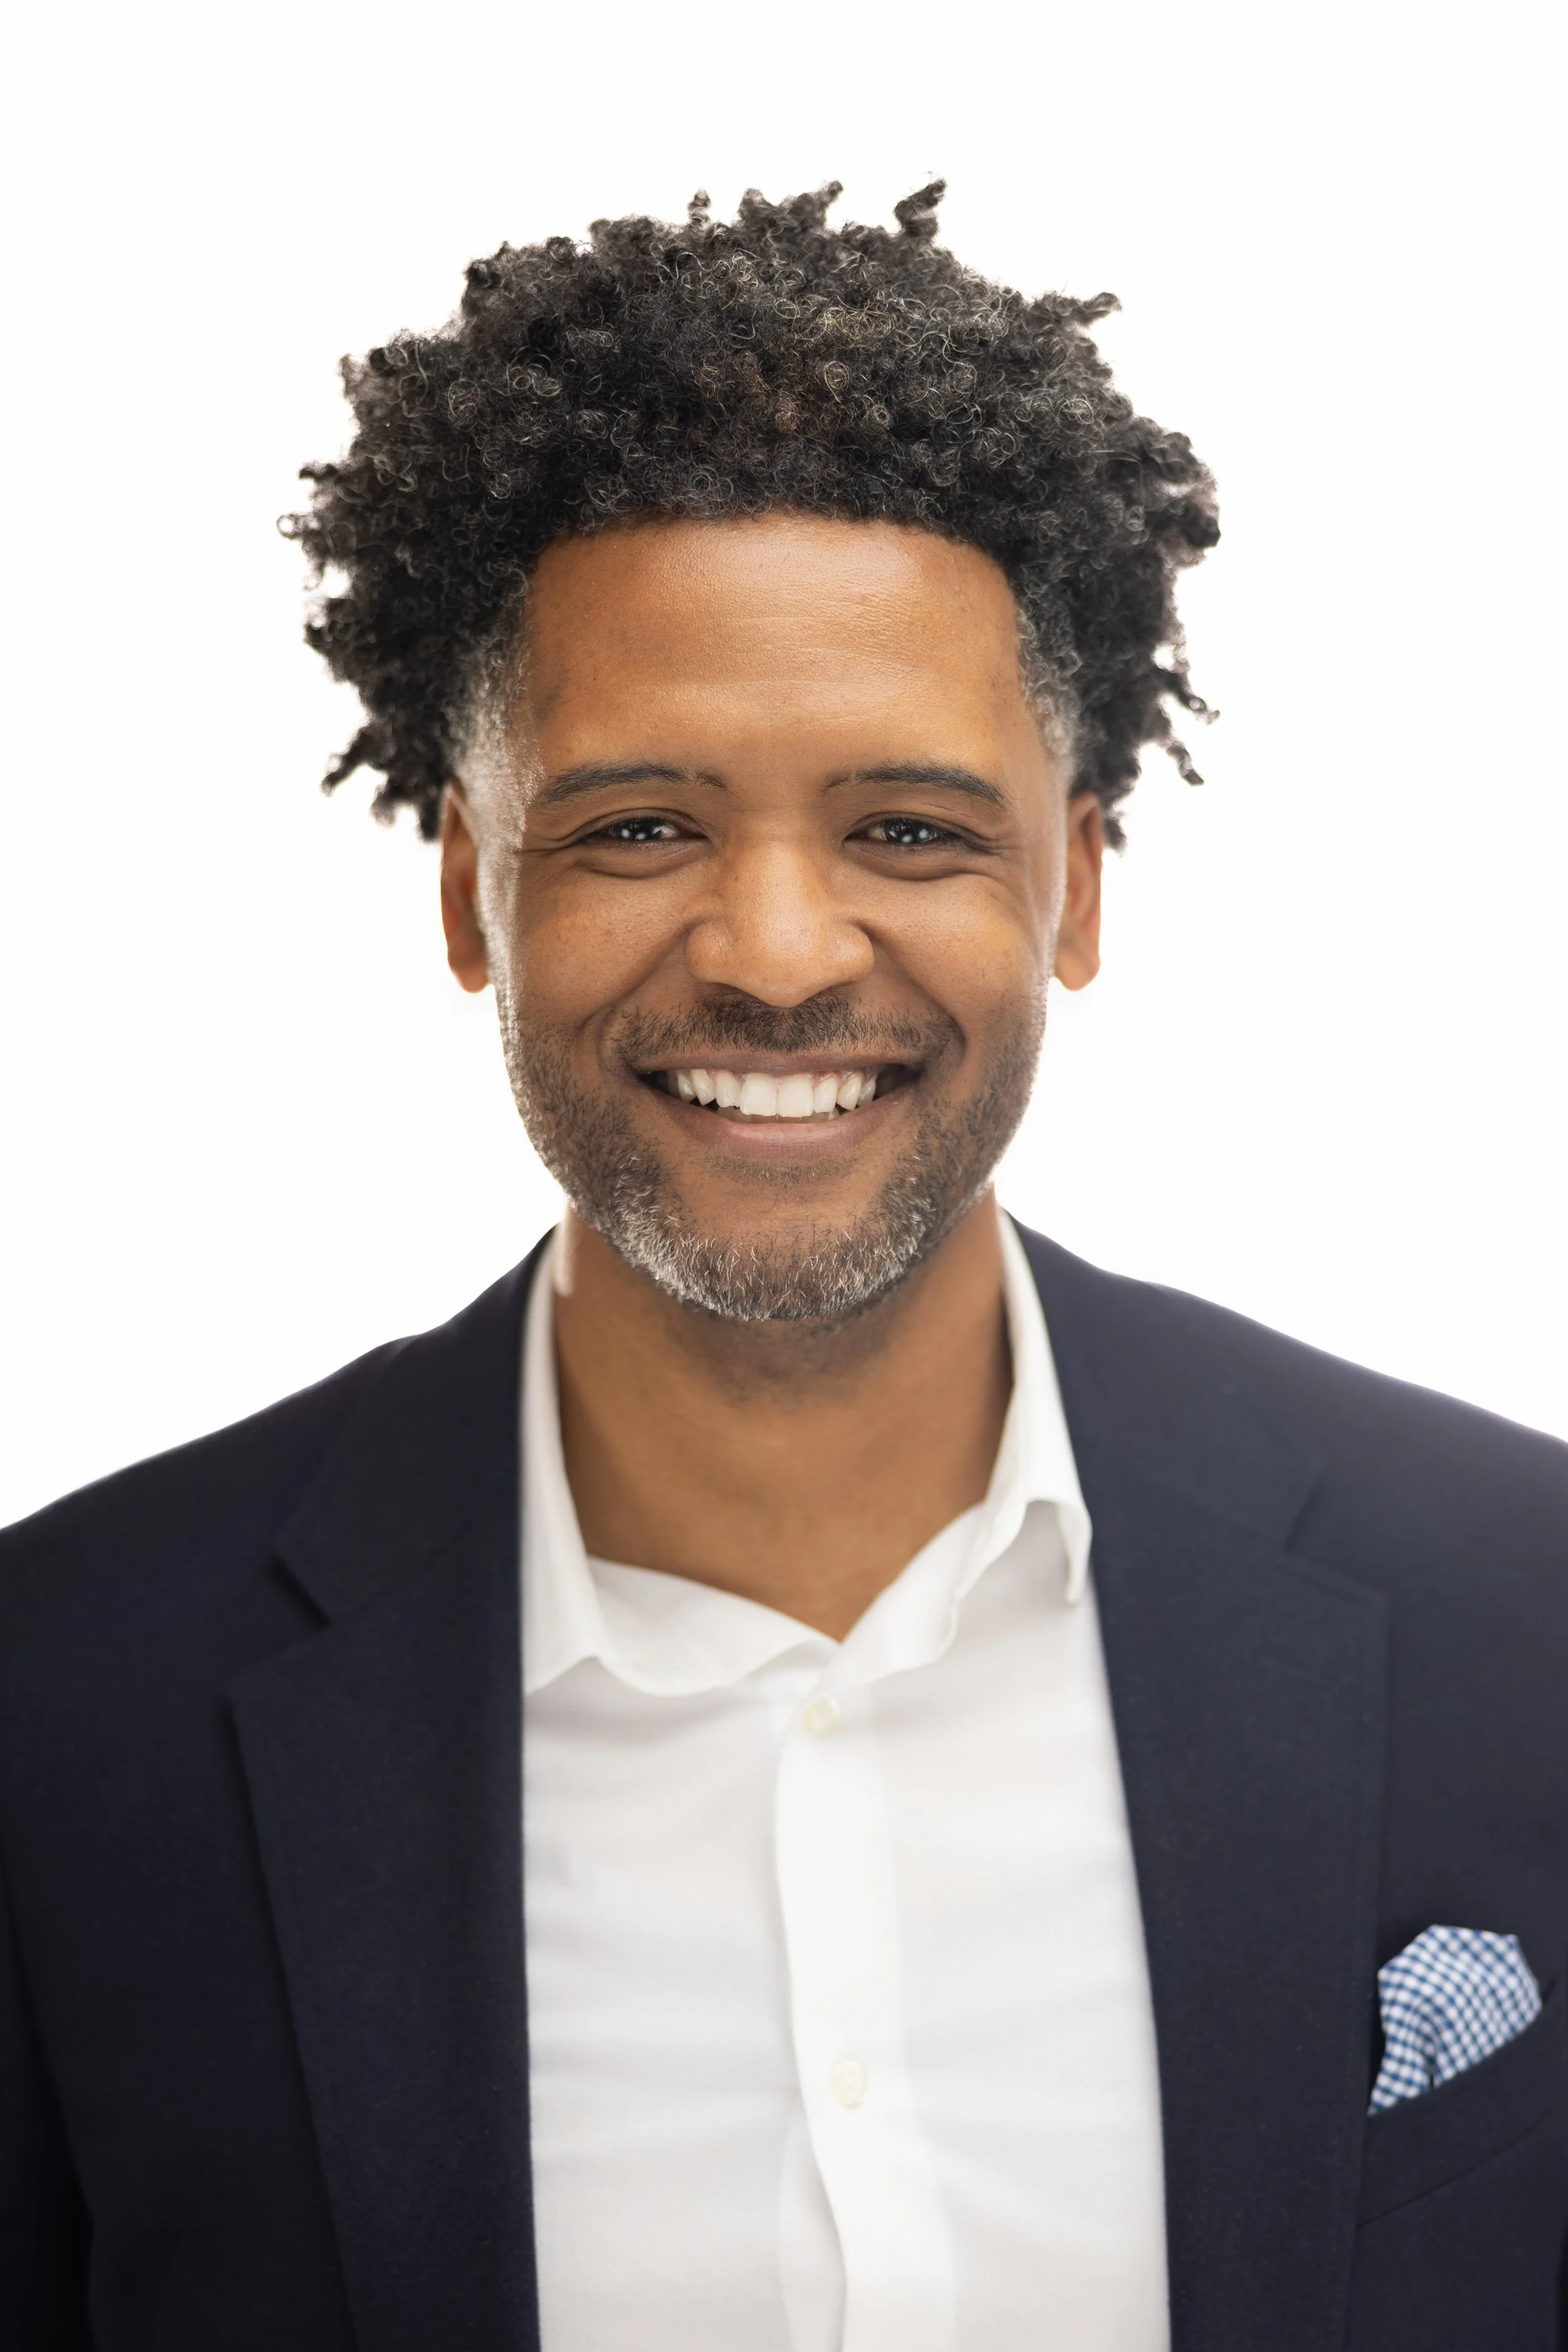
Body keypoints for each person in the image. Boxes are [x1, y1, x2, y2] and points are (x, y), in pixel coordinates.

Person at [1, 183, 1564, 2352]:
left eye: (907, 828)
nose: (772, 951)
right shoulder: (65, 1705)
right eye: (638, 824)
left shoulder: (1519, 1608)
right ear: (467, 890)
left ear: (1072, 890)